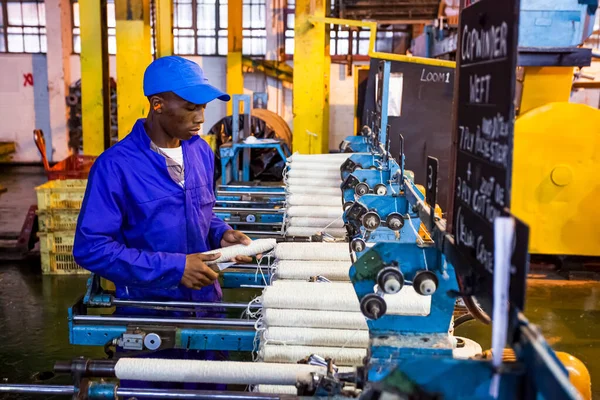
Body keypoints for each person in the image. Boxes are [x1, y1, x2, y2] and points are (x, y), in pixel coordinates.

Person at [73, 56, 252, 391]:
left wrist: (221, 233)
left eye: (203, 106)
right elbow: (91, 248)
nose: (201, 117)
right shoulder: (115, 167)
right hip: (150, 316)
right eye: (189, 107)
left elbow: (202, 212)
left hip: (208, 310)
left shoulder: (200, 152)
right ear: (157, 104)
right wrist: (174, 268)